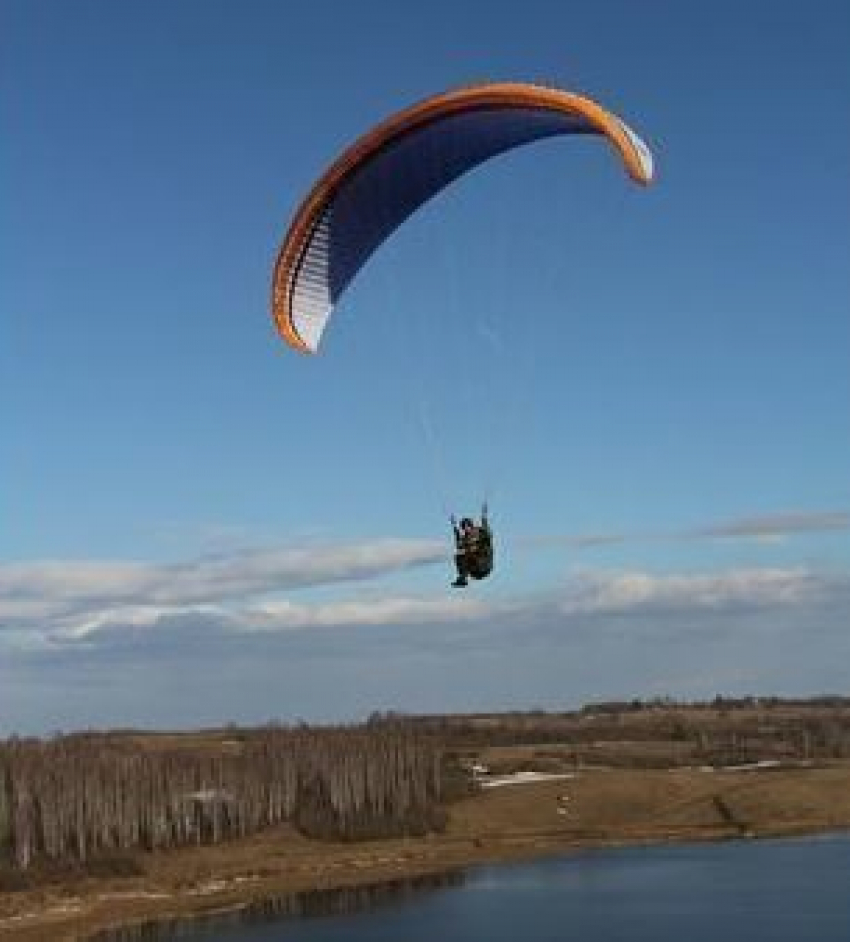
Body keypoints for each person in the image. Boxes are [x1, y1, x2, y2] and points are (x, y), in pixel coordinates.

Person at [451, 505, 493, 588]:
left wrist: (484, 517)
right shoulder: (464, 539)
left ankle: (464, 576)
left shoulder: (480, 532)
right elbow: (459, 543)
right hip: (474, 571)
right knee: (459, 555)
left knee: (472, 550)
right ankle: (462, 578)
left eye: (468, 526)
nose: (466, 529)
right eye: (464, 527)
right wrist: (455, 527)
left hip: (484, 564)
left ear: (471, 526)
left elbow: (487, 533)